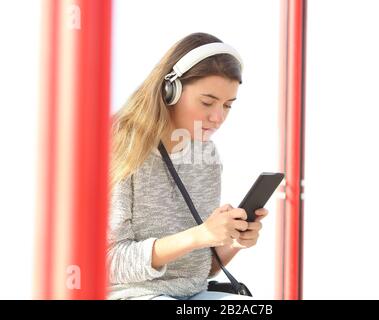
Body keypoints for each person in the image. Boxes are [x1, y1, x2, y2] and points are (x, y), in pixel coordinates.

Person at [107, 32, 269, 300]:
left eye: (228, 105)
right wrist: (199, 235)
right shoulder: (120, 145)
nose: (218, 118)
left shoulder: (205, 153)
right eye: (207, 102)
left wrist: (233, 241)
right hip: (129, 294)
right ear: (171, 90)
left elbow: (200, 270)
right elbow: (108, 262)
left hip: (191, 294)